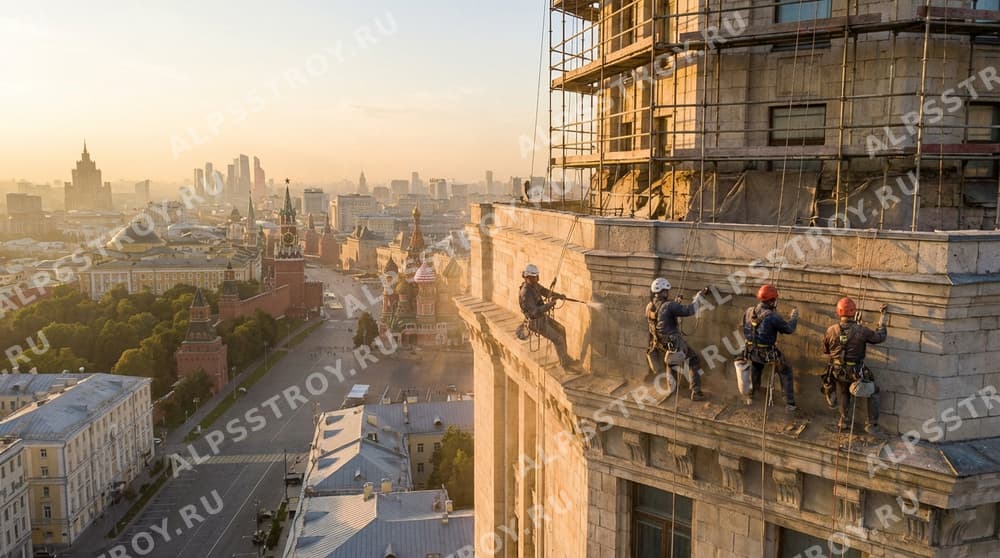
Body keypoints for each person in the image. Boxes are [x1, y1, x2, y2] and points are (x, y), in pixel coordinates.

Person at [822, 298, 888, 434]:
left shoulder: (831, 330)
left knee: (844, 392)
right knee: (874, 391)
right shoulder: (861, 330)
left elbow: (826, 351)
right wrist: (883, 318)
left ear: (839, 312)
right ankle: (872, 425)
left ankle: (844, 421)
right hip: (856, 372)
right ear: (854, 312)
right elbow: (880, 337)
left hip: (837, 371)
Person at [648, 277, 708, 400]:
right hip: (674, 342)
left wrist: (675, 305)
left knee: (672, 363)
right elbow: (690, 310)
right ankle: (696, 392)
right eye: (666, 291)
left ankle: (672, 390)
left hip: (661, 342)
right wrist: (698, 297)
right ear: (664, 291)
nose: (667, 292)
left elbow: (662, 316)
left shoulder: (650, 306)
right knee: (693, 360)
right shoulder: (669, 306)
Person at [742, 284, 799, 411]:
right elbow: (789, 329)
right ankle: (789, 403)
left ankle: (752, 396)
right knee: (786, 371)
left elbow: (745, 329)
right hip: (766, 353)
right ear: (772, 300)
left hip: (751, 351)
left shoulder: (749, 311)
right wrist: (794, 317)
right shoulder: (773, 317)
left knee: (756, 368)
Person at [518, 263, 576, 369]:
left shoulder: (533, 285)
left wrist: (558, 296)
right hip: (535, 322)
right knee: (558, 339)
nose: (538, 279)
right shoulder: (526, 292)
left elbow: (545, 291)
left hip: (541, 318)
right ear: (529, 277)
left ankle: (565, 359)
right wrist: (550, 305)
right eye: (536, 277)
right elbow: (534, 312)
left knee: (562, 329)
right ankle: (565, 366)